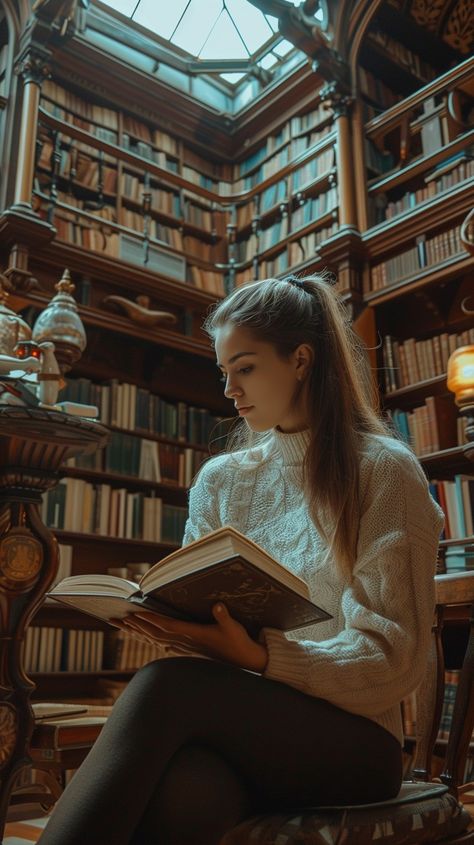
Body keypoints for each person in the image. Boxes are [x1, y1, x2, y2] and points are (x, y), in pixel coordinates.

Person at [38, 274, 444, 845]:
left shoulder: (383, 469)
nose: (230, 389)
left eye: (246, 367)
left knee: (164, 687)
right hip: (242, 727)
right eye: (223, 372)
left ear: (301, 360)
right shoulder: (222, 482)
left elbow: (392, 661)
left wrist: (262, 657)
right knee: (187, 788)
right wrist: (181, 627)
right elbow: (204, 607)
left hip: (355, 741)